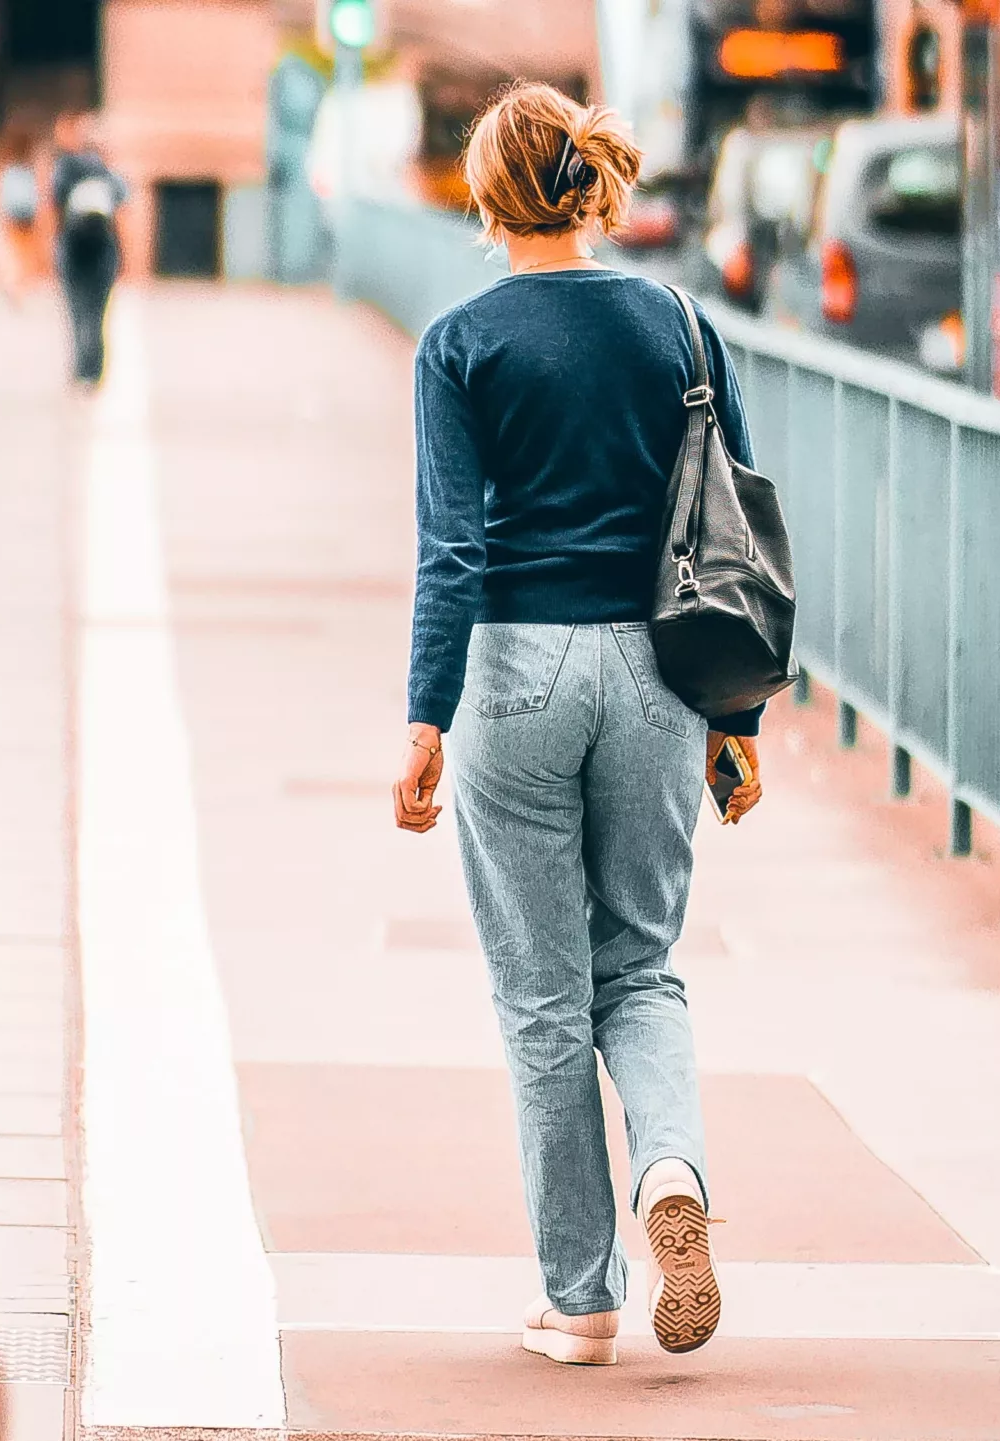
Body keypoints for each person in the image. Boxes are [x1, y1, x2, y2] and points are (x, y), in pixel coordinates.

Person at [390, 81, 765, 1367]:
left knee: (543, 999)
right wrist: (740, 720)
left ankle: (580, 1297)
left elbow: (451, 547)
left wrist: (424, 717)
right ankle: (672, 1170)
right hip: (659, 673)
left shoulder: (460, 341)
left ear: (486, 197)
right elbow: (729, 536)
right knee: (642, 967)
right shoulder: (678, 326)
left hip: (513, 674)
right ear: (591, 184)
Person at [50, 114, 126, 384]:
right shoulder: (110, 175)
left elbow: (54, 206)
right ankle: (95, 369)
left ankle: (81, 368)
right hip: (104, 249)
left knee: (77, 309)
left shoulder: (65, 170)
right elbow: (122, 215)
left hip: (71, 247)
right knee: (97, 311)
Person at [0, 139, 43, 298]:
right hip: (27, 215)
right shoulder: (28, 171)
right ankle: (22, 283)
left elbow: (5, 196)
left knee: (14, 250)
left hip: (13, 215)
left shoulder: (9, 171)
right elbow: (34, 195)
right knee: (26, 250)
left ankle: (13, 283)